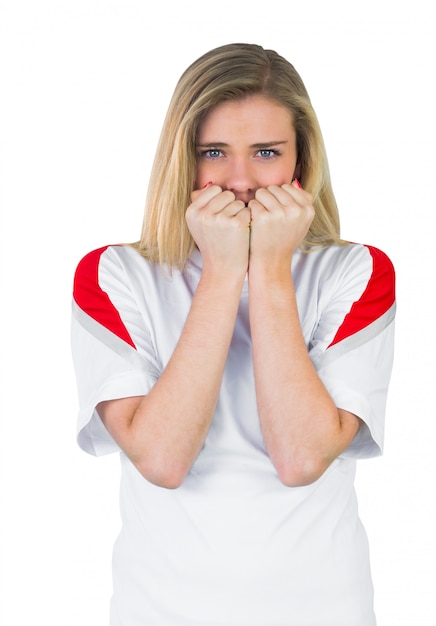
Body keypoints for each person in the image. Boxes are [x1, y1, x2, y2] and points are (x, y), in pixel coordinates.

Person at [71, 43, 396, 626]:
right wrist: (223, 271)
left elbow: (300, 458)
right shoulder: (112, 275)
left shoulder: (358, 272)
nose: (241, 180)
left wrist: (268, 269)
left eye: (266, 152)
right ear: (183, 161)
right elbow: (163, 460)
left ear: (301, 162)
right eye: (214, 152)